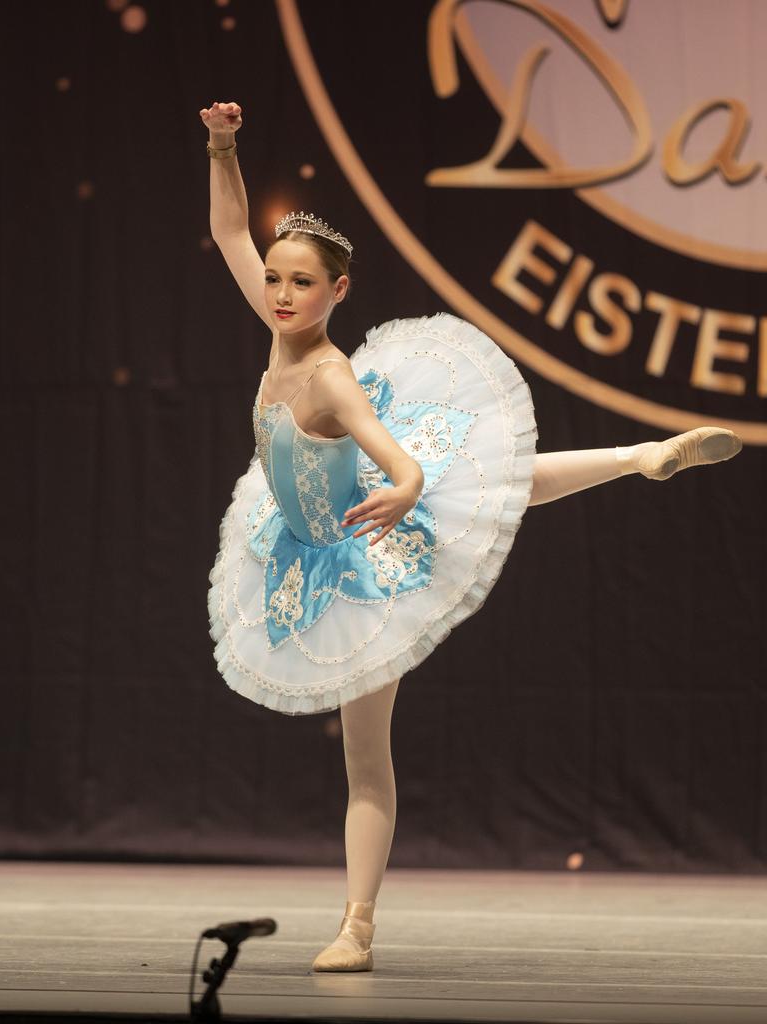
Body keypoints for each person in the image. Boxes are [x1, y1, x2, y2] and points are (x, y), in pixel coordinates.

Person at [199, 100, 742, 973]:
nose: (283, 294)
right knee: (498, 486)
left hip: (356, 563)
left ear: (339, 293)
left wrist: (404, 489)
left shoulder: (333, 376)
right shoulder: (277, 332)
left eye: (303, 283)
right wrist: (224, 147)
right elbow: (230, 231)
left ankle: (356, 927)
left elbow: (397, 464)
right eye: (276, 280)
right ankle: (641, 455)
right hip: (304, 538)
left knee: (366, 760)